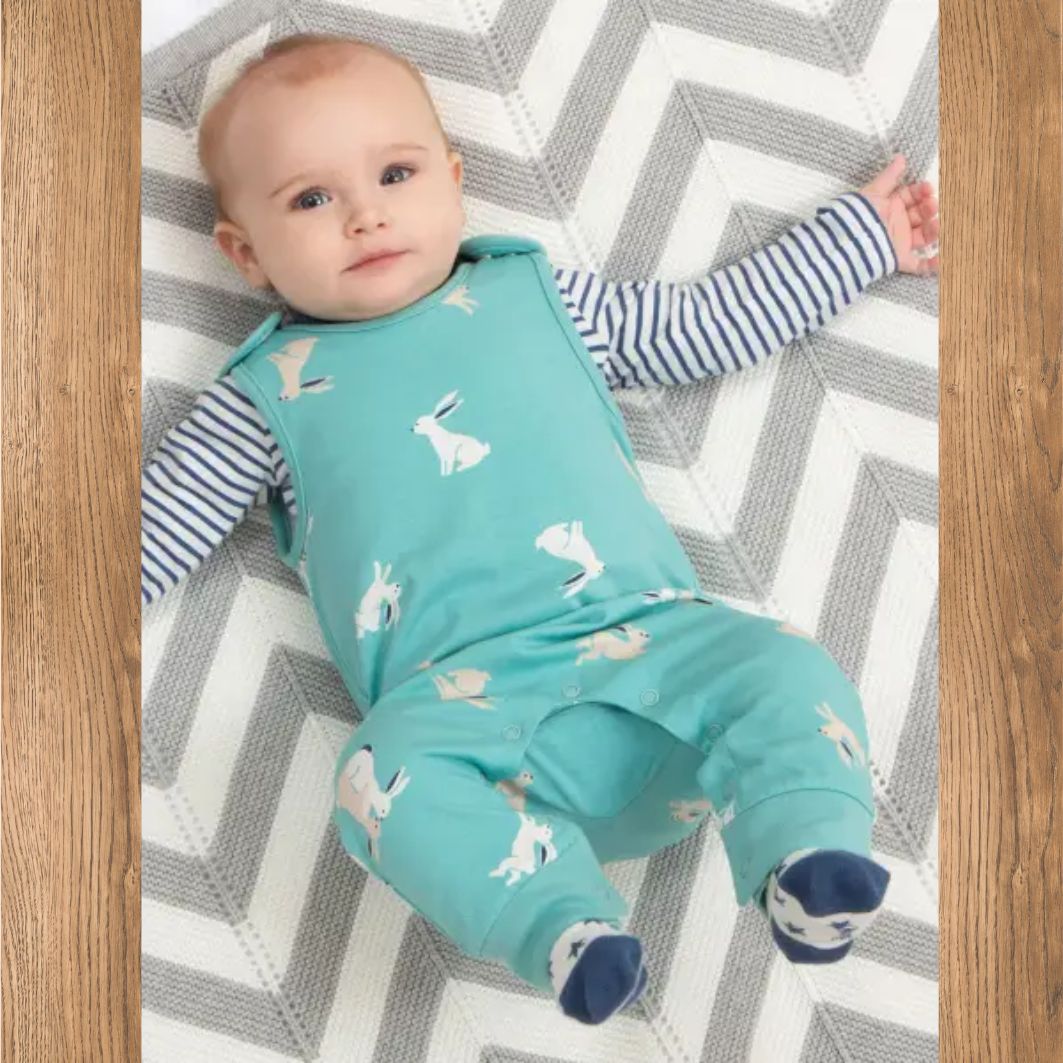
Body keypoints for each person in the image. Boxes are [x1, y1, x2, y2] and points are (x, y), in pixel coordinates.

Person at [142, 33, 940, 1025]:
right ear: (244, 251)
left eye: (395, 171)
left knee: (783, 668)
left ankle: (803, 851)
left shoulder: (540, 297)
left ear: (454, 179)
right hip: (478, 739)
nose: (366, 212)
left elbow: (700, 328)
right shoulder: (260, 404)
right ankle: (561, 925)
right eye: (310, 198)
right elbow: (142, 541)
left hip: (657, 653)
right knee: (373, 783)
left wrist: (857, 242)